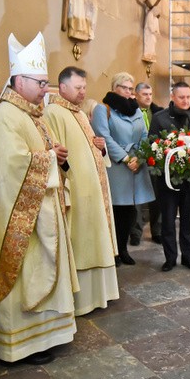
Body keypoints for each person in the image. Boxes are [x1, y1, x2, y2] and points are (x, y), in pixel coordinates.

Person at [0, 32, 77, 365]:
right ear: (19, 81)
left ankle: (46, 334)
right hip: (20, 216)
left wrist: (54, 156)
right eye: (41, 83)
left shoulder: (32, 114)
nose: (45, 89)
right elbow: (10, 166)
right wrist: (48, 158)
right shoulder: (6, 116)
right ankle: (23, 342)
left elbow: (39, 154)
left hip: (42, 208)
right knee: (27, 275)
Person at [44, 67, 119, 315]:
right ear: (62, 87)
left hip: (93, 190)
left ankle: (101, 294)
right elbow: (58, 154)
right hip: (77, 191)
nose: (82, 92)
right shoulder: (53, 112)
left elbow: (91, 150)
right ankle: (84, 301)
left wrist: (100, 147)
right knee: (84, 244)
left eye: (84, 87)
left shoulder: (79, 112)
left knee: (95, 240)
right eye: (78, 88)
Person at [92, 72, 154, 265]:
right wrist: (126, 158)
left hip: (137, 163)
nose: (129, 92)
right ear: (114, 88)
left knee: (131, 211)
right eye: (125, 88)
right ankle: (114, 251)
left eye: (131, 88)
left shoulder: (135, 109)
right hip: (118, 165)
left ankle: (124, 248)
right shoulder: (104, 109)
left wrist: (140, 157)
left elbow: (145, 134)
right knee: (116, 210)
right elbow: (104, 136)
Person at [149, 82, 190, 272]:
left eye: (187, 97)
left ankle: (188, 257)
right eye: (181, 97)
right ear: (172, 97)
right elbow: (152, 145)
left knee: (188, 220)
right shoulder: (160, 119)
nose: (185, 101)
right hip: (168, 180)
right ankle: (170, 258)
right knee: (167, 219)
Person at [131, 82, 162, 244]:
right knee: (136, 198)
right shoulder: (129, 112)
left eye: (150, 94)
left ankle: (157, 231)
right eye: (144, 94)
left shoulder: (158, 112)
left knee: (157, 196)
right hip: (136, 158)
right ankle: (136, 233)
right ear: (136, 95)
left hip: (154, 160)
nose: (148, 97)